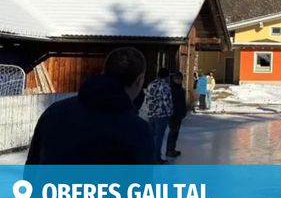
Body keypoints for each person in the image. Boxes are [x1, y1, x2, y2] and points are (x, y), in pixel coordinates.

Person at [26, 47, 154, 165]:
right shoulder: (137, 131)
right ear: (140, 80)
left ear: (104, 72)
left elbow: (31, 171)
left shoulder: (54, 112)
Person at [145, 68, 173, 163]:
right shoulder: (164, 86)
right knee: (159, 137)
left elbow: (147, 99)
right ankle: (156, 157)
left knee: (151, 137)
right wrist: (170, 113)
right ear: (167, 76)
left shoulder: (151, 84)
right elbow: (167, 101)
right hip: (161, 115)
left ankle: (150, 156)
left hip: (151, 114)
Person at [165, 72, 187, 158]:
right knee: (173, 132)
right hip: (173, 114)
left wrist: (183, 112)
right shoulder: (171, 89)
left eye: (180, 79)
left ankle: (172, 149)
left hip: (179, 114)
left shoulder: (181, 89)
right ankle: (170, 150)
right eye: (177, 79)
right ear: (174, 79)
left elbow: (182, 102)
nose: (179, 81)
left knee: (175, 133)